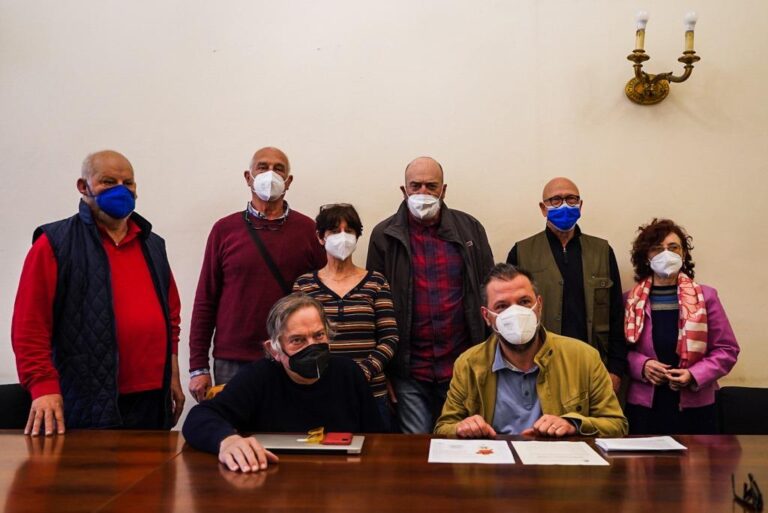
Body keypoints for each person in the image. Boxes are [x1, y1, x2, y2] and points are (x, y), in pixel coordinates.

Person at [11, 150, 184, 435]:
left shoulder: (152, 244)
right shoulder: (54, 244)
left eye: (128, 182)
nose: (121, 189)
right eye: (108, 181)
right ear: (83, 186)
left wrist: (172, 375)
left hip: (152, 400)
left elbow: (171, 318)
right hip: (87, 400)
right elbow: (30, 325)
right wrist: (42, 386)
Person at [183, 293, 384, 472]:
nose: (312, 347)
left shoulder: (348, 372)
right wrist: (227, 440)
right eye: (298, 340)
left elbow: (379, 437)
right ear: (274, 350)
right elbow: (198, 418)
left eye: (319, 335)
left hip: (340, 478)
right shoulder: (257, 377)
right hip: (270, 477)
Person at [367, 157, 494, 433]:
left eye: (431, 186)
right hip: (409, 372)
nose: (423, 192)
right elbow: (374, 306)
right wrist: (383, 371)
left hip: (462, 366)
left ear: (443, 190)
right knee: (417, 448)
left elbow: (490, 293)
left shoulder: (470, 229)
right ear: (404, 190)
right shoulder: (383, 235)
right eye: (416, 186)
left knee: (463, 441)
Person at [189, 147, 326, 402]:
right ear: (248, 177)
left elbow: (323, 295)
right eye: (262, 167)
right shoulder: (224, 230)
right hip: (233, 360)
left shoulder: (309, 230)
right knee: (235, 425)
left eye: (278, 169)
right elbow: (206, 299)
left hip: (291, 355)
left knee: (290, 425)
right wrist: (198, 367)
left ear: (289, 181)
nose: (270, 174)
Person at [434, 263, 627, 438]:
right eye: (502, 306)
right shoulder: (468, 364)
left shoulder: (583, 357)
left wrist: (573, 424)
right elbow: (444, 427)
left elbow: (617, 424)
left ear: (539, 305)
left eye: (524, 302)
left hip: (555, 463)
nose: (515, 313)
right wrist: (462, 428)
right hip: (495, 461)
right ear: (487, 316)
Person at [507, 177, 627, 393]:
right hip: (538, 367)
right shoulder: (521, 253)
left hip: (594, 366)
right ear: (543, 208)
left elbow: (617, 314)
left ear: (580, 205)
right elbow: (510, 316)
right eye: (555, 200)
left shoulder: (602, 251)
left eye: (571, 199)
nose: (564, 205)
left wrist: (616, 370)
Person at [624, 219, 739, 434]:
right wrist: (642, 365)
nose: (666, 254)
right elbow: (618, 351)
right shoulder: (629, 301)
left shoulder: (706, 297)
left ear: (683, 254)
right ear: (646, 256)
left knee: (696, 457)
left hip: (696, 406)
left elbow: (727, 349)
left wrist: (694, 375)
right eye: (657, 249)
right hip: (644, 405)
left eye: (673, 247)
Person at [293, 204, 398, 431]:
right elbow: (298, 339)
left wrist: (363, 372)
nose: (342, 237)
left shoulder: (376, 281)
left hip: (371, 392)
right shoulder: (304, 285)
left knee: (375, 452)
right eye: (334, 231)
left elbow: (389, 338)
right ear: (320, 237)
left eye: (349, 231)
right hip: (321, 391)